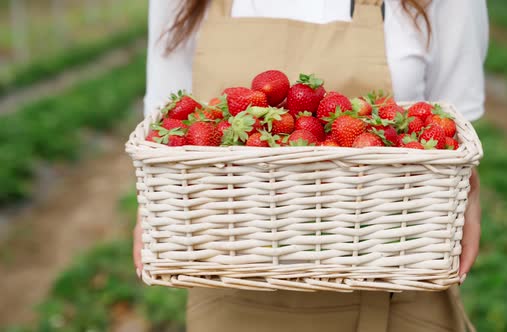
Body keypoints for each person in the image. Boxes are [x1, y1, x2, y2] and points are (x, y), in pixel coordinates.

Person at [134, 0, 487, 331]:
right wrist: (153, 208)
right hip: (230, 282)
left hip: (396, 285)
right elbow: (168, 125)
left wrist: (465, 196)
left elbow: (450, 128)